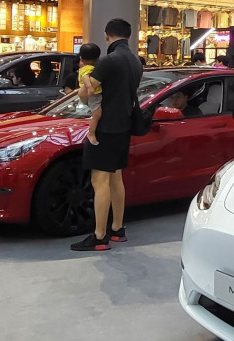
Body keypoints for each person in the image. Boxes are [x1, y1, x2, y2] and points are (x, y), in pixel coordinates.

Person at [71, 19, 143, 252]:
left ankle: (100, 236)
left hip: (105, 127)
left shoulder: (109, 60)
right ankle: (117, 229)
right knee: (116, 177)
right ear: (128, 35)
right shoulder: (135, 61)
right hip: (124, 126)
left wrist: (81, 86)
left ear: (106, 35)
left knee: (99, 181)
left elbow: (86, 93)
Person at [77, 43, 104, 146]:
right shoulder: (88, 68)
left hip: (94, 95)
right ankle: (91, 133)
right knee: (97, 114)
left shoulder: (85, 67)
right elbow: (85, 78)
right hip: (94, 96)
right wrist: (90, 88)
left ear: (81, 57)